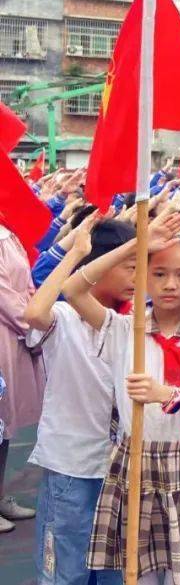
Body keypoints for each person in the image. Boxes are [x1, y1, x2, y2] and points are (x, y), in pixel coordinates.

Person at [62, 216, 180, 584]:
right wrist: (135, 244)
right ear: (141, 277)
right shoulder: (124, 329)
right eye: (157, 273)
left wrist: (162, 393)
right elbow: (73, 290)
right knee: (137, 570)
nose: (170, 284)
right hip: (134, 457)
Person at [23, 215, 133, 583]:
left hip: (120, 468)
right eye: (128, 267)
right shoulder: (65, 317)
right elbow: (35, 312)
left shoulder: (132, 322)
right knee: (65, 568)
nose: (137, 277)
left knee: (114, 569)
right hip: (71, 466)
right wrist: (75, 253)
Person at [0, 221, 44, 530]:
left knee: (5, 423)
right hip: (6, 331)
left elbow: (26, 283)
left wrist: (34, 315)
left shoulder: (8, 233)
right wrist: (32, 324)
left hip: (13, 335)